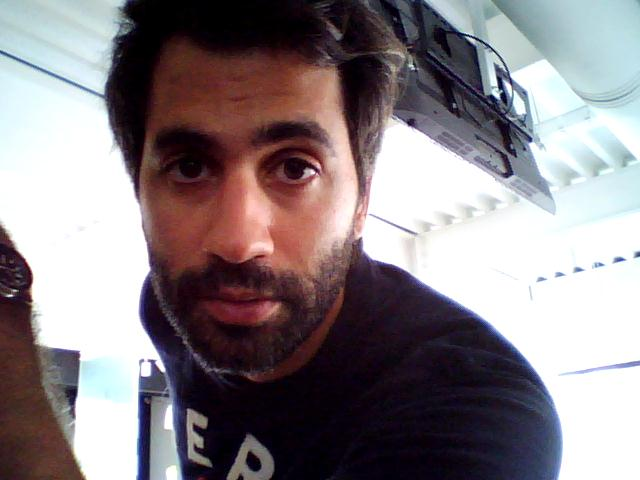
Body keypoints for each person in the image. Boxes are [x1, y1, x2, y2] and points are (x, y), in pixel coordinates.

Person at [0, 0, 562, 479]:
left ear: (361, 202)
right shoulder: (172, 309)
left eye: (295, 168)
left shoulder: (473, 414)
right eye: (190, 166)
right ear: (138, 188)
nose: (237, 243)